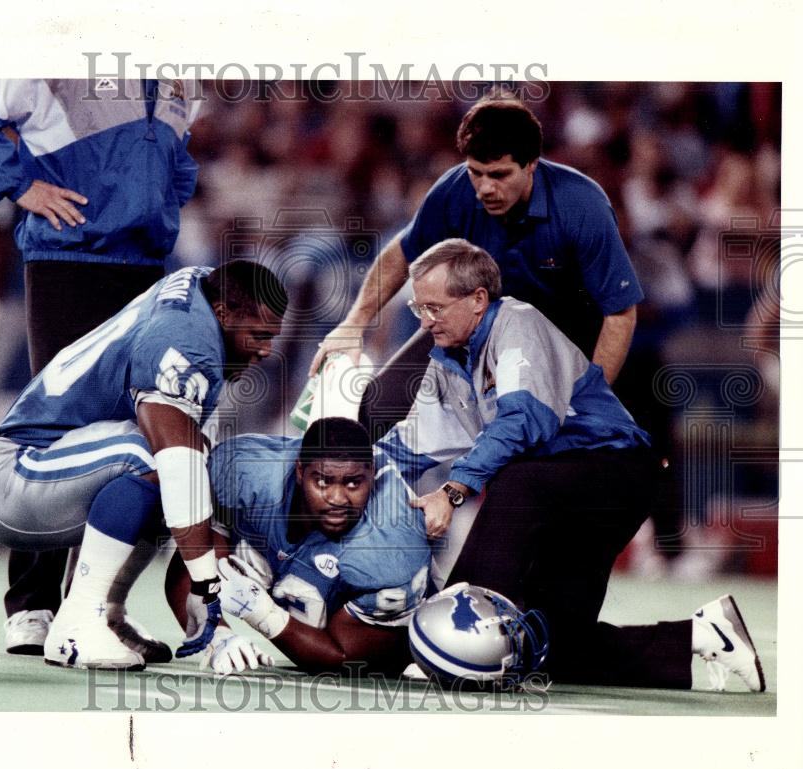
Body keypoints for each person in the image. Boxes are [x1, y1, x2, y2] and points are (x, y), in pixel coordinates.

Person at [378, 239, 765, 691]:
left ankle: (456, 641)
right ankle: (703, 634)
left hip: (614, 472)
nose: (424, 321)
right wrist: (339, 471)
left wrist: (451, 491)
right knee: (546, 644)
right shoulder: (447, 362)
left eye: (435, 308)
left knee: (515, 480)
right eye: (418, 307)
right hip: (565, 491)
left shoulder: (517, 324)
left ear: (478, 299)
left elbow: (525, 421)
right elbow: (406, 447)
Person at [0, 77, 200, 654]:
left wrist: (156, 201)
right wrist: (20, 184)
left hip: (144, 269)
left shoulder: (186, 73)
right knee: (58, 433)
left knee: (137, 441)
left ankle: (98, 609)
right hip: (69, 260)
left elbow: (178, 159)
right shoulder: (65, 48)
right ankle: (31, 605)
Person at [0, 261, 288, 669]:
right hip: (16, 478)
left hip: (59, 467)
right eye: (259, 335)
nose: (266, 350)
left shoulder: (206, 291)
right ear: (224, 313)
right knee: (164, 462)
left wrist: (209, 629)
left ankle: (106, 612)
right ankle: (76, 623)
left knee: (191, 465)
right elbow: (177, 468)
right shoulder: (185, 342)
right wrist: (212, 600)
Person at [310, 94, 643, 437]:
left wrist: (585, 400)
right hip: (476, 327)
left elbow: (620, 316)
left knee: (525, 451)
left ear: (531, 164)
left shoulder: (582, 205)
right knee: (377, 408)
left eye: (499, 175)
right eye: (476, 173)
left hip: (562, 345)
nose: (485, 188)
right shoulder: (454, 190)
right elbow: (401, 252)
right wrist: (354, 323)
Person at [165, 417, 431, 675]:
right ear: (300, 470)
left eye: (353, 483)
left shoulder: (390, 548)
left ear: (371, 475)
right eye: (324, 482)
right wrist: (218, 636)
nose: (338, 499)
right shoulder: (244, 471)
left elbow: (345, 656)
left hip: (402, 640)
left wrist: (258, 610)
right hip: (283, 555)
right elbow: (191, 569)